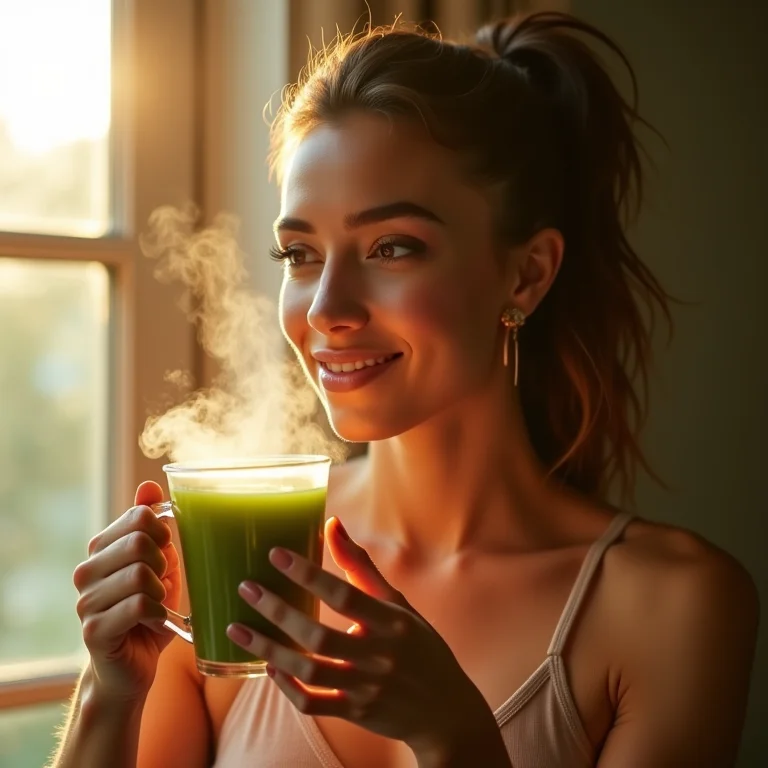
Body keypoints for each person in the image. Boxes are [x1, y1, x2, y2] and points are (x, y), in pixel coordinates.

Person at [52, 12, 759, 768]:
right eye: (300, 253)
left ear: (525, 273)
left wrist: (455, 738)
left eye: (392, 247)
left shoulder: (670, 606)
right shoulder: (218, 564)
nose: (326, 308)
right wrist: (108, 691)